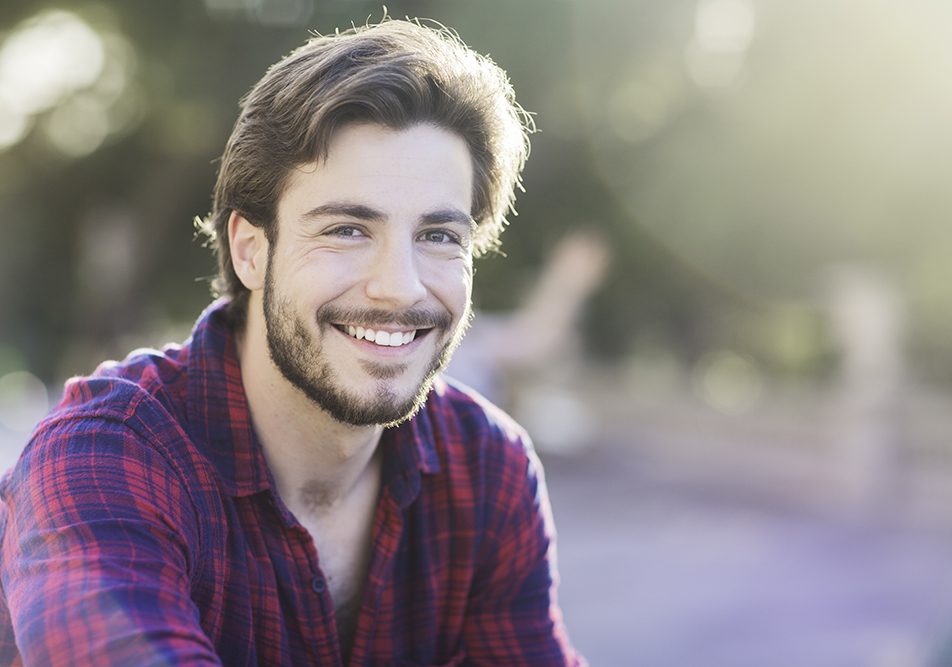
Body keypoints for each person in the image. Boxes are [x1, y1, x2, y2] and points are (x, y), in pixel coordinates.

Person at [0, 17, 584, 667]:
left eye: (439, 236)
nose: (399, 286)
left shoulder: (488, 468)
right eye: (346, 230)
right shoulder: (103, 457)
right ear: (250, 251)